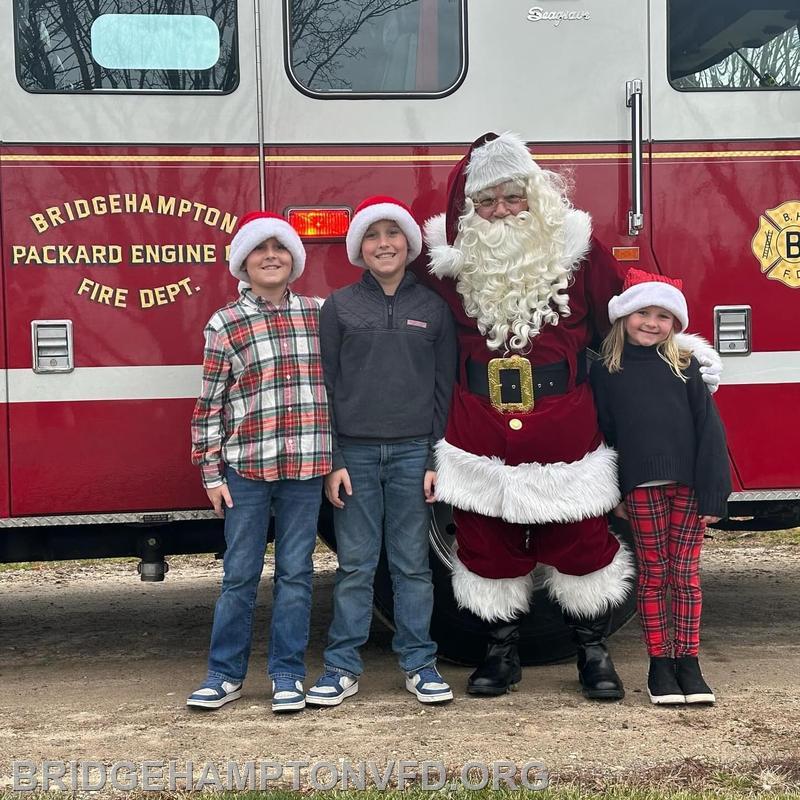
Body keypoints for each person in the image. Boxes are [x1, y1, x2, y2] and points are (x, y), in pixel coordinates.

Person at [418, 132, 722, 700]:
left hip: (566, 426)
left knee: (582, 541)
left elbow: (623, 319)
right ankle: (500, 653)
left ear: (535, 197)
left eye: (513, 198)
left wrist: (682, 354)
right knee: (486, 543)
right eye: (487, 202)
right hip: (478, 426)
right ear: (470, 210)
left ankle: (592, 652)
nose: (501, 211)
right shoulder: (442, 269)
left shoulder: (578, 252)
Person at [306, 196, 457, 707]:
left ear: (410, 245)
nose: (384, 244)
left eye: (393, 234)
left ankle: (420, 663)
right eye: (373, 236)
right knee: (355, 564)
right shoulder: (340, 307)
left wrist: (436, 459)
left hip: (415, 452)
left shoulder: (433, 309)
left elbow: (445, 391)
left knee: (412, 565)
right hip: (355, 455)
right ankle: (341, 666)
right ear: (359, 249)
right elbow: (324, 386)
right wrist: (334, 461)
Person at [188, 212, 331, 713]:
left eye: (281, 247)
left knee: (296, 573)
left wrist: (334, 460)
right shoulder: (225, 324)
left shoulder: (318, 314)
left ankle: (288, 675)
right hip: (245, 468)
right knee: (240, 574)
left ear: (295, 260)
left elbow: (340, 391)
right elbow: (209, 404)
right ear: (242, 264)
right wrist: (210, 473)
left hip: (307, 466)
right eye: (259, 249)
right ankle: (224, 675)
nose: (271, 256)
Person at [591, 268, 730, 705]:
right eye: (643, 313)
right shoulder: (607, 372)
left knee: (685, 575)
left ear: (676, 325)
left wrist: (714, 493)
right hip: (640, 491)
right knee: (653, 575)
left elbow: (710, 433)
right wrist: (614, 494)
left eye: (663, 316)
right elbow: (605, 437)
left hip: (688, 487)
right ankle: (659, 667)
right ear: (623, 317)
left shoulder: (686, 369)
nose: (651, 323)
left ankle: (688, 662)